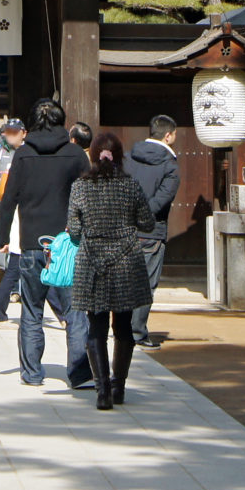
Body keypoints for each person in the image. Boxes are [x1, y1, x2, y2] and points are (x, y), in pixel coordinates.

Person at [0, 99, 92, 388]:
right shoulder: (76, 154)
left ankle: (32, 373)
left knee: (32, 309)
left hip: (32, 242)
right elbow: (88, 197)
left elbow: (9, 198)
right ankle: (78, 373)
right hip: (70, 242)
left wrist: (2, 239)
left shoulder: (23, 155)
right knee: (75, 311)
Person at [66, 132, 156, 410]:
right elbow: (147, 223)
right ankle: (119, 386)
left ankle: (102, 389)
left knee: (96, 326)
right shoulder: (130, 185)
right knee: (124, 326)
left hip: (93, 261)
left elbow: (75, 231)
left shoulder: (80, 187)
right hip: (126, 260)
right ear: (119, 157)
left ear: (93, 156)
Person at [122, 116, 181, 348]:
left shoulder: (128, 157)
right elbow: (161, 200)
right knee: (145, 283)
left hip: (124, 229)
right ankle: (136, 332)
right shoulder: (170, 166)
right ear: (168, 135)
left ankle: (121, 328)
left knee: (124, 279)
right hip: (150, 231)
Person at [0, 119, 27, 325]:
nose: (10, 135)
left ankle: (17, 292)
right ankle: (5, 293)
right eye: (8, 132)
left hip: (24, 208)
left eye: (14, 132)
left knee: (19, 257)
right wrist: (2, 193)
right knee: (5, 257)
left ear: (23, 133)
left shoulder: (28, 154)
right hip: (3, 207)